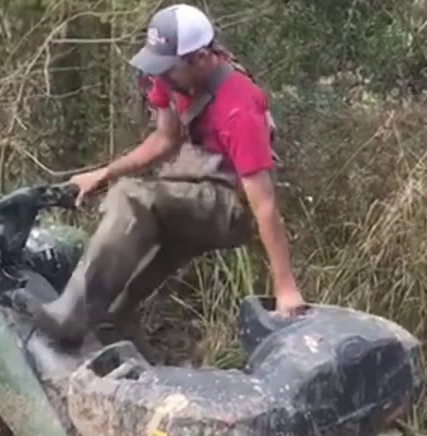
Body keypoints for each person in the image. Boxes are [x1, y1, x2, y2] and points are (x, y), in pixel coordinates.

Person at [17, 3, 307, 350]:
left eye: (169, 68)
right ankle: (119, 338)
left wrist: (285, 287)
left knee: (134, 198)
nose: (161, 77)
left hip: (231, 205)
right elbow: (166, 139)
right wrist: (104, 173)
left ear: (200, 58)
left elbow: (264, 205)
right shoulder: (169, 76)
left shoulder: (239, 107)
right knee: (136, 250)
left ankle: (70, 317)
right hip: (189, 188)